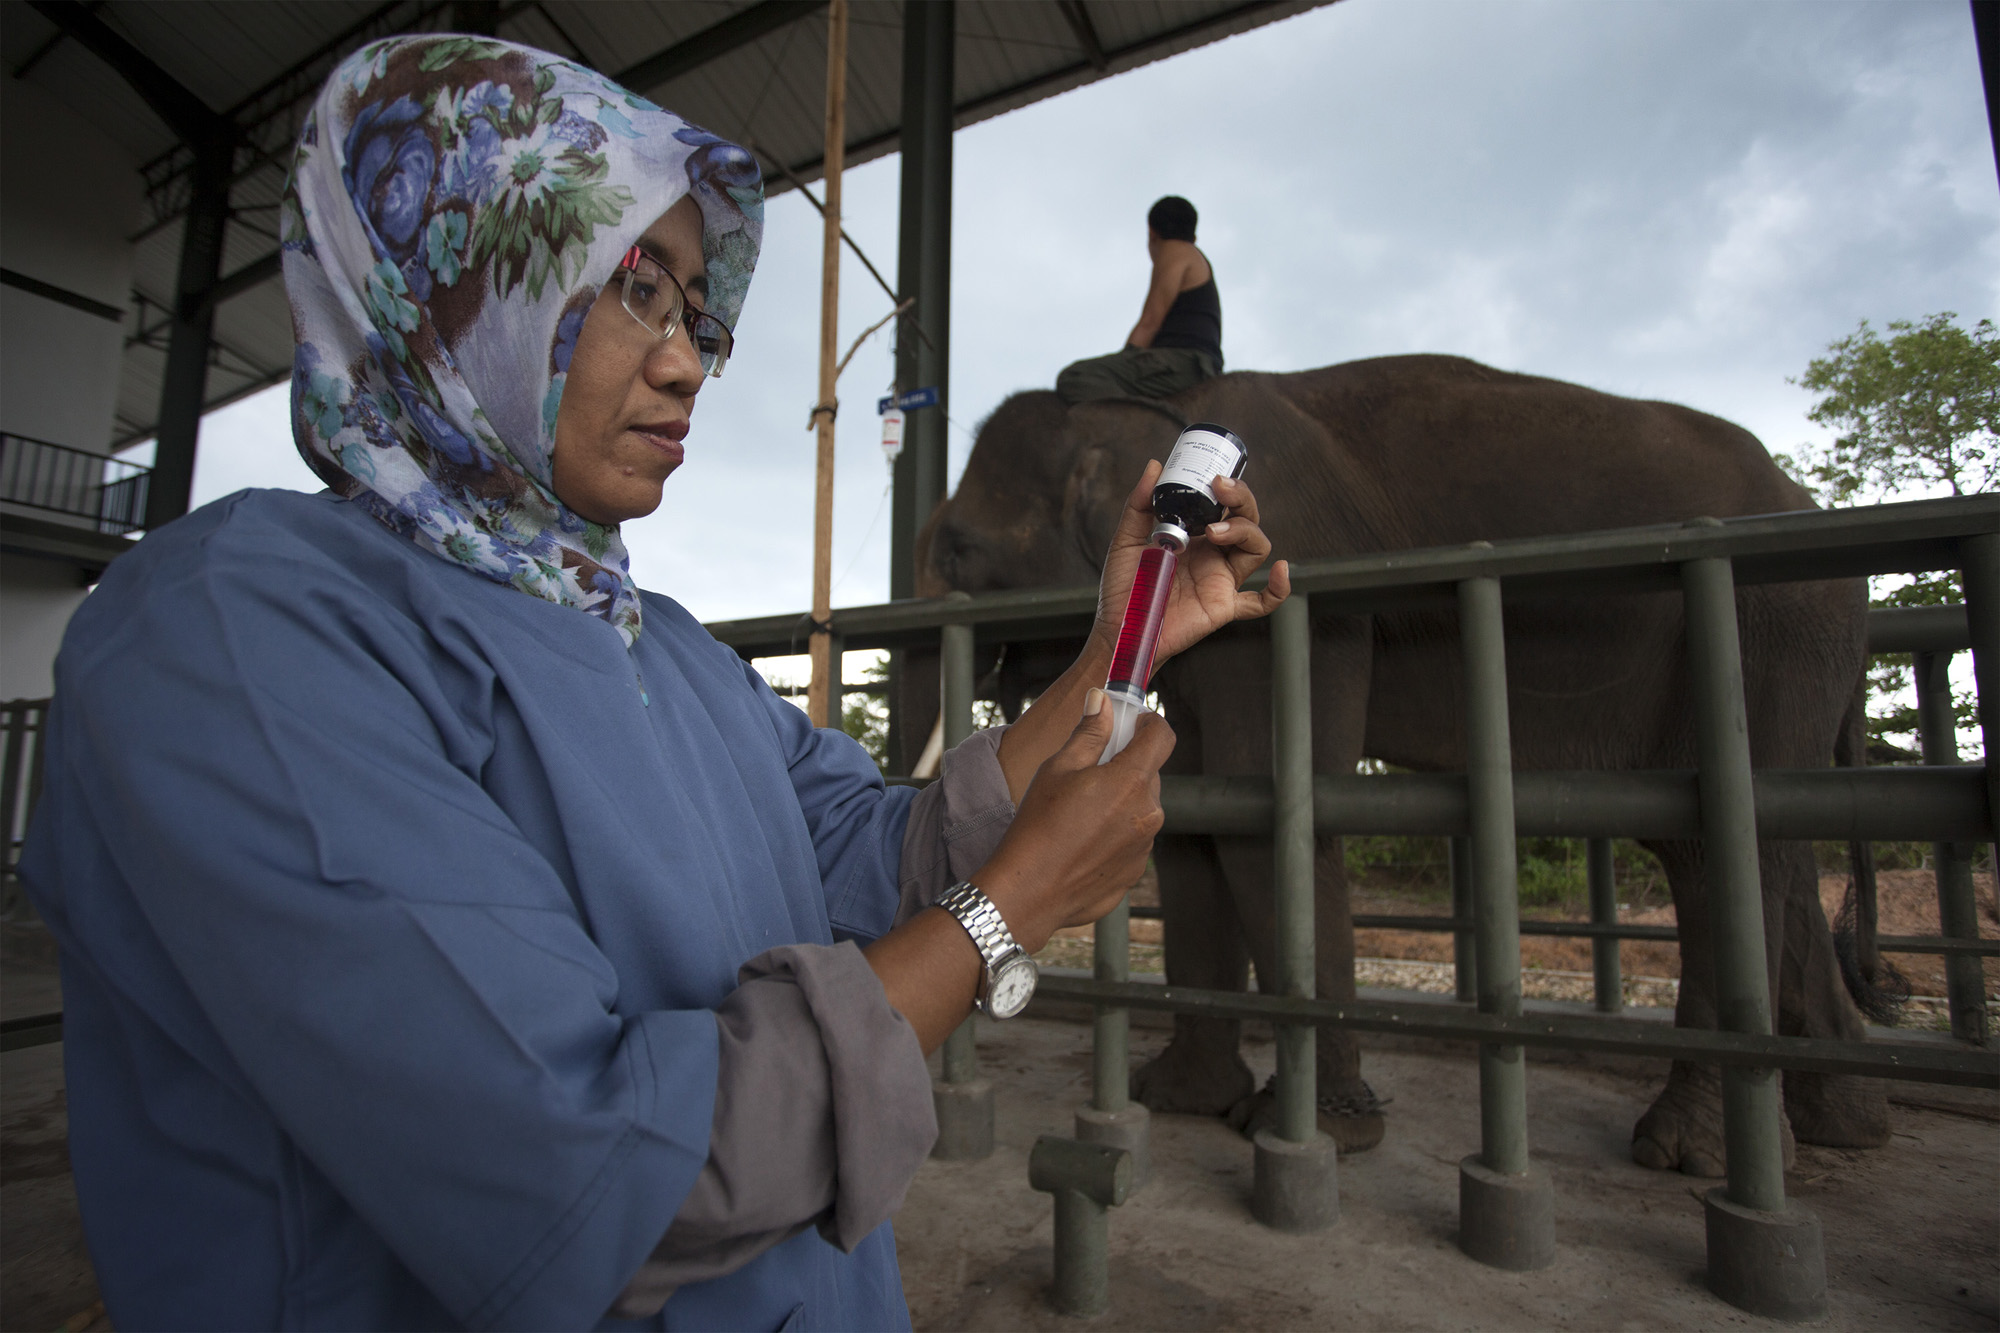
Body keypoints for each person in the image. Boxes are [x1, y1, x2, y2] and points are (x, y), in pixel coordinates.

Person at [19, 36, 1290, 1333]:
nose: (685, 359)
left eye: (695, 311)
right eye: (629, 287)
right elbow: (583, 1178)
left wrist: (1119, 639)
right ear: (448, 269)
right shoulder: (229, 633)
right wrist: (1002, 914)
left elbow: (878, 850)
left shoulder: (659, 643)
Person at [1055, 195, 1224, 404]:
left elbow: (1150, 322)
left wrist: (1125, 359)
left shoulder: (1173, 250)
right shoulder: (1195, 257)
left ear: (1152, 233)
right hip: (1197, 363)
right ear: (1194, 235)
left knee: (1076, 376)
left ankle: (1135, 423)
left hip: (1184, 363)